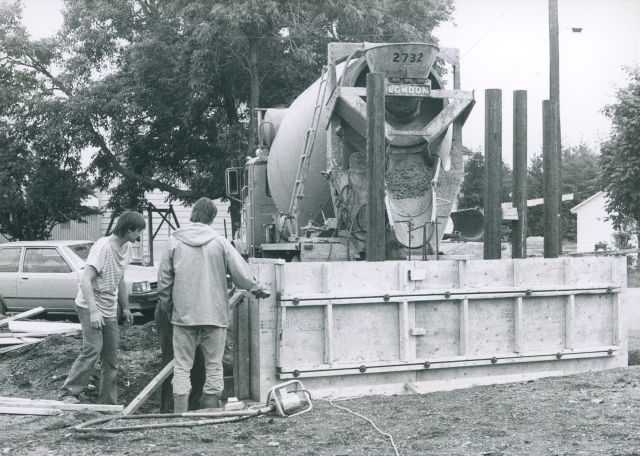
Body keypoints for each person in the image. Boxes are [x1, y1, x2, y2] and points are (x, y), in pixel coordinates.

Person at [157, 197, 269, 413]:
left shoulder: (174, 241)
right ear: (212, 218)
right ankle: (210, 410)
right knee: (214, 364)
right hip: (214, 314)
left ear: (193, 214)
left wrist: (168, 305)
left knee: (182, 366)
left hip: (184, 314)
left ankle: (180, 412)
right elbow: (241, 273)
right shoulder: (220, 242)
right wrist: (257, 289)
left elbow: (164, 281)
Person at [60, 211, 146, 404]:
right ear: (128, 229)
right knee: (93, 349)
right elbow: (85, 281)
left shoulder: (127, 249)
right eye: (138, 231)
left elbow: (120, 278)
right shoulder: (103, 247)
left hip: (109, 309)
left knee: (111, 357)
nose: (139, 235)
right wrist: (93, 311)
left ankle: (107, 402)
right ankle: (69, 392)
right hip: (89, 305)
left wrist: (125, 307)